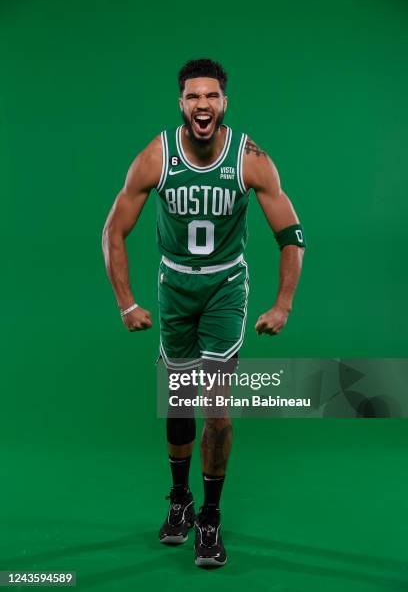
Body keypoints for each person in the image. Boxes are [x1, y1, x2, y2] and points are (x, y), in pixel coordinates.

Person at [102, 58, 305, 568]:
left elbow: (291, 236)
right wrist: (125, 301)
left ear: (224, 103)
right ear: (181, 104)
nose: (202, 105)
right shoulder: (157, 156)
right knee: (178, 400)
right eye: (193, 97)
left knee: (215, 406)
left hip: (224, 289)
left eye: (211, 96)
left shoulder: (250, 158)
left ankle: (209, 517)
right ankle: (180, 499)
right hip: (175, 289)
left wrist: (283, 304)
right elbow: (113, 231)